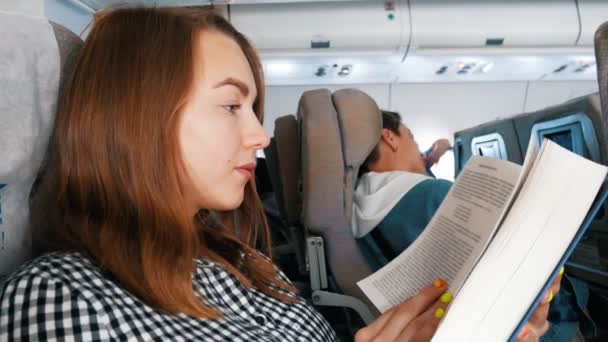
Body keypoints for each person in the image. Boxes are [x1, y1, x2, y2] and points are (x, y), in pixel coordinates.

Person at [0, 7, 557, 341]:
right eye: (229, 106)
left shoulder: (238, 260)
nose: (261, 136)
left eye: (255, 109)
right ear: (135, 115)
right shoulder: (60, 297)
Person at [353, 110, 594, 341]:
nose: (418, 149)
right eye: (412, 138)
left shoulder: (361, 205)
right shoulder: (434, 195)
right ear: (389, 137)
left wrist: (428, 158)